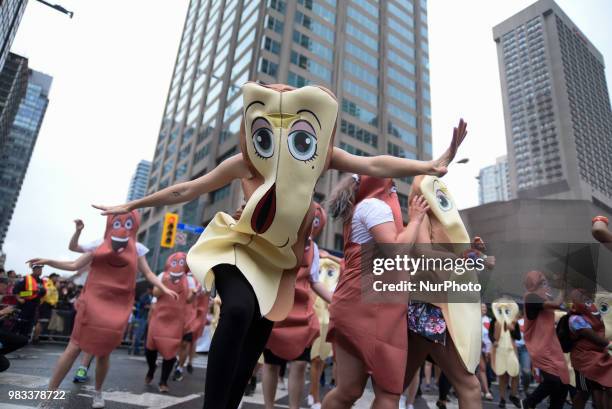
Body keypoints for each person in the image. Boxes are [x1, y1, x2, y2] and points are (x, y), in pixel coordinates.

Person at [94, 82, 467, 409]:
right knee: (238, 311)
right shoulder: (249, 160)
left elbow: (375, 163)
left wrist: (432, 163)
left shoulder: (319, 158)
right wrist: (134, 205)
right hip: (237, 247)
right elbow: (189, 189)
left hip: (276, 265)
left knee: (255, 338)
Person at [28, 211, 178, 408]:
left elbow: (148, 273)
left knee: (104, 352)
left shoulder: (138, 248)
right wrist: (51, 258)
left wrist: (166, 288)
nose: (123, 226)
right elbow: (74, 260)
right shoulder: (100, 243)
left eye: (128, 222)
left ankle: (98, 392)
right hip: (93, 300)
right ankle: (48, 397)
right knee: (74, 346)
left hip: (118, 305)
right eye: (117, 222)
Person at [323, 174, 430, 409]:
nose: (394, 192)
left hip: (354, 305)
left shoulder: (363, 207)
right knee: (389, 394)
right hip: (375, 309)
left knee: (347, 391)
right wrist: (415, 220)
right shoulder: (375, 205)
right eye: (392, 186)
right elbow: (397, 251)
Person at [402, 175, 484, 409]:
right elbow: (423, 253)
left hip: (432, 307)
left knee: (396, 384)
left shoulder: (438, 219)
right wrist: (466, 258)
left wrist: (472, 254)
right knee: (470, 386)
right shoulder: (422, 215)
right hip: (433, 309)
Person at [262, 202, 332, 409]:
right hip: (275, 309)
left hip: (301, 313)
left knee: (300, 364)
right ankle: (268, 406)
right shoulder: (278, 239)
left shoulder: (314, 249)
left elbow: (314, 281)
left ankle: (294, 407)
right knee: (271, 364)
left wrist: (335, 301)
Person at [145, 252, 195, 393]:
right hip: (159, 317)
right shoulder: (162, 275)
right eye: (175, 262)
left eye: (182, 263)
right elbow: (155, 293)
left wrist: (195, 293)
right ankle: (151, 369)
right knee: (150, 349)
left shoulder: (189, 280)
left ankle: (163, 381)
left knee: (170, 350)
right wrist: (165, 285)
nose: (178, 266)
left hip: (175, 320)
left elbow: (189, 300)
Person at [521, 270, 569, 409]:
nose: (545, 283)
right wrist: (562, 288)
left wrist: (562, 283)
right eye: (542, 281)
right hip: (539, 346)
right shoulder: (531, 297)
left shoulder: (545, 296)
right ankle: (529, 402)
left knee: (564, 383)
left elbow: (562, 304)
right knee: (553, 381)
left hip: (552, 345)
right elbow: (557, 304)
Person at [566, 289, 612, 409]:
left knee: (603, 388)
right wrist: (609, 344)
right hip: (584, 361)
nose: (590, 304)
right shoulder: (575, 319)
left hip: (598, 357)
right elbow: (596, 338)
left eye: (589, 300)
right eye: (585, 301)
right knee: (584, 392)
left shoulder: (593, 316)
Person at [308, 255, 342, 409]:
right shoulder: (317, 261)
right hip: (314, 315)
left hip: (329, 317)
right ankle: (315, 397)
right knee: (315, 359)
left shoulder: (339, 266)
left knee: (321, 360)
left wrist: (328, 255)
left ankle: (312, 393)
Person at [489, 299, 521, 408]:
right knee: (502, 376)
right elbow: (490, 334)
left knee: (515, 373)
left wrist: (512, 329)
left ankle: (513, 395)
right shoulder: (494, 320)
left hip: (511, 350)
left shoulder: (513, 321)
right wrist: (494, 342)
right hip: (499, 350)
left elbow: (518, 336)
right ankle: (502, 399)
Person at [0, 275, 28, 372]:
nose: (7, 288)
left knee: (22, 340)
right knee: (4, 364)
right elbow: (17, 294)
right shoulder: (22, 284)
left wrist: (5, 316)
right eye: (5, 285)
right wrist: (2, 312)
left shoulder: (36, 284)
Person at [12, 264, 47, 340]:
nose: (40, 270)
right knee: (20, 323)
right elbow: (16, 291)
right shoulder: (25, 278)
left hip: (35, 306)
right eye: (38, 269)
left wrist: (43, 291)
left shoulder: (41, 281)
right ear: (33, 270)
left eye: (41, 269)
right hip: (25, 305)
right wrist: (22, 297)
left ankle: (23, 339)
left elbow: (41, 293)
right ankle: (14, 338)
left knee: (29, 324)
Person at [33, 272, 60, 343]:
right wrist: (52, 302)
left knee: (43, 323)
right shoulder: (48, 284)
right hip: (45, 304)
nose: (57, 279)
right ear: (52, 277)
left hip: (48, 305)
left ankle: (36, 337)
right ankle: (35, 338)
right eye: (56, 277)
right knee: (41, 322)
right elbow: (47, 294)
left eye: (57, 277)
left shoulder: (52, 285)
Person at [479, 303, 494, 400]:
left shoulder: (489, 320)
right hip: (477, 348)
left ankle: (481, 389)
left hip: (488, 349)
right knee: (482, 369)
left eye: (485, 307)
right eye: (481, 307)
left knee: (483, 370)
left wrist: (489, 350)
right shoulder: (474, 320)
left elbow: (491, 337)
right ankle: (487, 391)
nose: (484, 308)